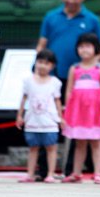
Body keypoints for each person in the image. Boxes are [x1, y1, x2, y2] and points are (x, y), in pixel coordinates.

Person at [36, 0, 100, 179]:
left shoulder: (92, 20)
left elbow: (99, 50)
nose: (71, 0)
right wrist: (38, 67)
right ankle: (42, 170)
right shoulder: (51, 17)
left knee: (75, 124)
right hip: (51, 78)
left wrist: (87, 67)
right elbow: (42, 44)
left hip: (80, 83)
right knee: (46, 120)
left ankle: (70, 170)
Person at [61, 33, 100, 184]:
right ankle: (76, 173)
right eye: (81, 46)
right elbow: (69, 90)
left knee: (96, 142)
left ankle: (97, 173)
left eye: (88, 46)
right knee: (79, 142)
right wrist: (67, 111)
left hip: (95, 112)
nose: (84, 49)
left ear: (95, 48)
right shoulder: (74, 69)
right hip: (78, 112)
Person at [15, 49, 64, 183]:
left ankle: (50, 174)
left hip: (49, 122)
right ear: (36, 62)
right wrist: (20, 116)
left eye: (46, 63)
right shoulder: (28, 80)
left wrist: (61, 118)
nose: (42, 65)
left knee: (51, 148)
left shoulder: (55, 82)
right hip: (32, 120)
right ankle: (30, 174)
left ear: (52, 66)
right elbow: (23, 99)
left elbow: (57, 101)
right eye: (40, 62)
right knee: (33, 148)